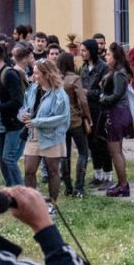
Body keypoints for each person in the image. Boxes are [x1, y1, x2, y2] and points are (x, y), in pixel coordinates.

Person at [20, 58, 70, 213]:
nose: (33, 76)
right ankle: (32, 204)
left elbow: (62, 117)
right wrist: (22, 115)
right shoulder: (32, 89)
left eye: (36, 73)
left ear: (46, 74)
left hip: (52, 137)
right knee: (29, 170)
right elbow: (24, 107)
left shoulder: (59, 94)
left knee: (53, 171)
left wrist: (37, 121)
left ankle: (53, 204)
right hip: (33, 135)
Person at [98, 43, 134, 197]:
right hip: (117, 113)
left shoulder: (120, 73)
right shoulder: (115, 71)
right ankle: (121, 182)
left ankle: (124, 185)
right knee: (117, 151)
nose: (106, 56)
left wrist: (102, 97)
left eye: (108, 54)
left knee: (115, 152)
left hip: (116, 113)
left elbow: (116, 95)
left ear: (115, 56)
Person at [0, 43, 26, 186]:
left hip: (12, 124)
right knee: (1, 159)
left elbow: (17, 101)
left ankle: (21, 190)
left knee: (8, 158)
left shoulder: (9, 74)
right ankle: (11, 188)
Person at [57, 50, 92, 198]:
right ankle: (79, 186)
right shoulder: (75, 79)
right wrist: (88, 117)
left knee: (65, 154)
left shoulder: (56, 79)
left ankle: (68, 187)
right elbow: (83, 100)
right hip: (76, 120)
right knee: (83, 152)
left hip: (60, 121)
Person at [79, 38, 112, 188]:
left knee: (101, 143)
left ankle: (108, 175)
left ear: (91, 51)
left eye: (84, 50)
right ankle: (97, 174)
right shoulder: (84, 68)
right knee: (91, 143)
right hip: (87, 110)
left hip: (100, 110)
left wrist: (88, 93)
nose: (81, 53)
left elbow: (106, 91)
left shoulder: (103, 68)